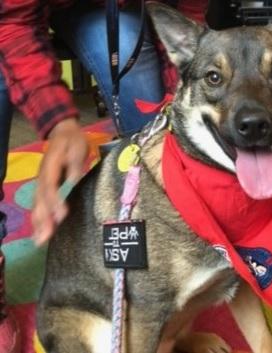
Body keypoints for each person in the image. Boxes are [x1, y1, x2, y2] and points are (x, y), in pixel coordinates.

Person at [0, 0, 208, 351]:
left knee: (139, 70)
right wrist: (57, 121)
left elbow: (188, 13)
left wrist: (175, 105)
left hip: (105, 8)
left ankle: (164, 285)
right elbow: (11, 21)